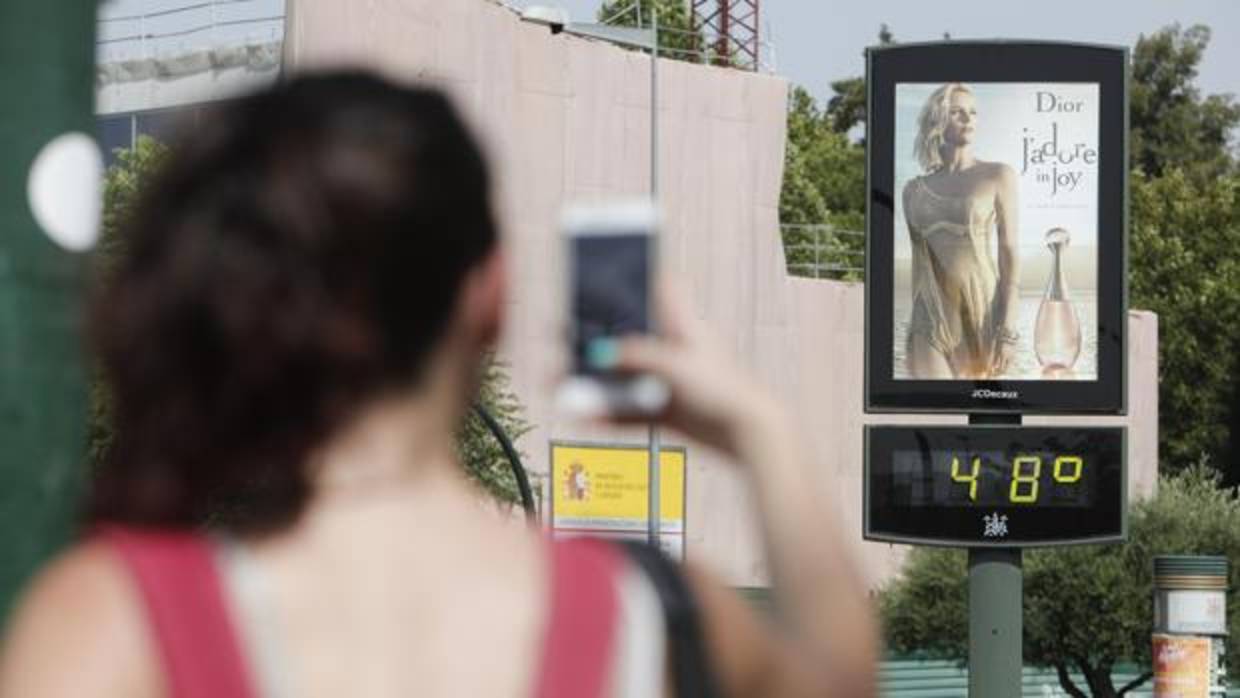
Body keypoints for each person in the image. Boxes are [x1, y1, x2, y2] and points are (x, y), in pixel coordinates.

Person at [0, 72, 877, 698]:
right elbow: (839, 677)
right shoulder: (654, 622)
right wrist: (760, 428)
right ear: (489, 296)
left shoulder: (115, 631)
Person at [902, 82, 1021, 379]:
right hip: (929, 317)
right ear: (938, 120)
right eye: (957, 112)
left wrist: (1008, 331)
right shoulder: (913, 191)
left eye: (973, 112)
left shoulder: (998, 176)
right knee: (936, 405)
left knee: (975, 405)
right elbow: (919, 264)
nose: (968, 119)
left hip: (982, 311)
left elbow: (1009, 255)